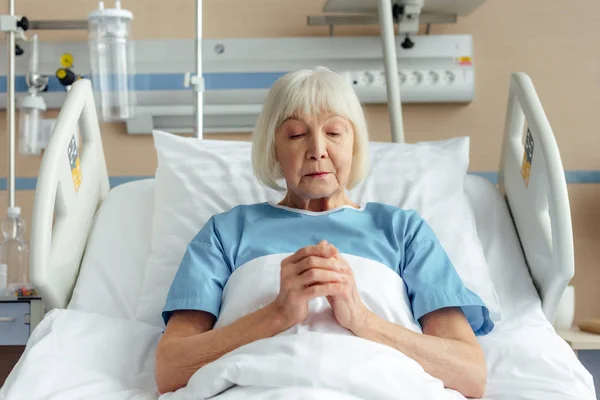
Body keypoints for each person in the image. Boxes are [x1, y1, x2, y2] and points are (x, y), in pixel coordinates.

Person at [155, 67, 493, 397]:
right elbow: (170, 368)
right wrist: (277, 314)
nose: (317, 149)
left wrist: (361, 319)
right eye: (296, 135)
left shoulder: (403, 231)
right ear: (274, 148)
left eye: (333, 133)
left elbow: (470, 373)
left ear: (354, 145)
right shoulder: (226, 232)